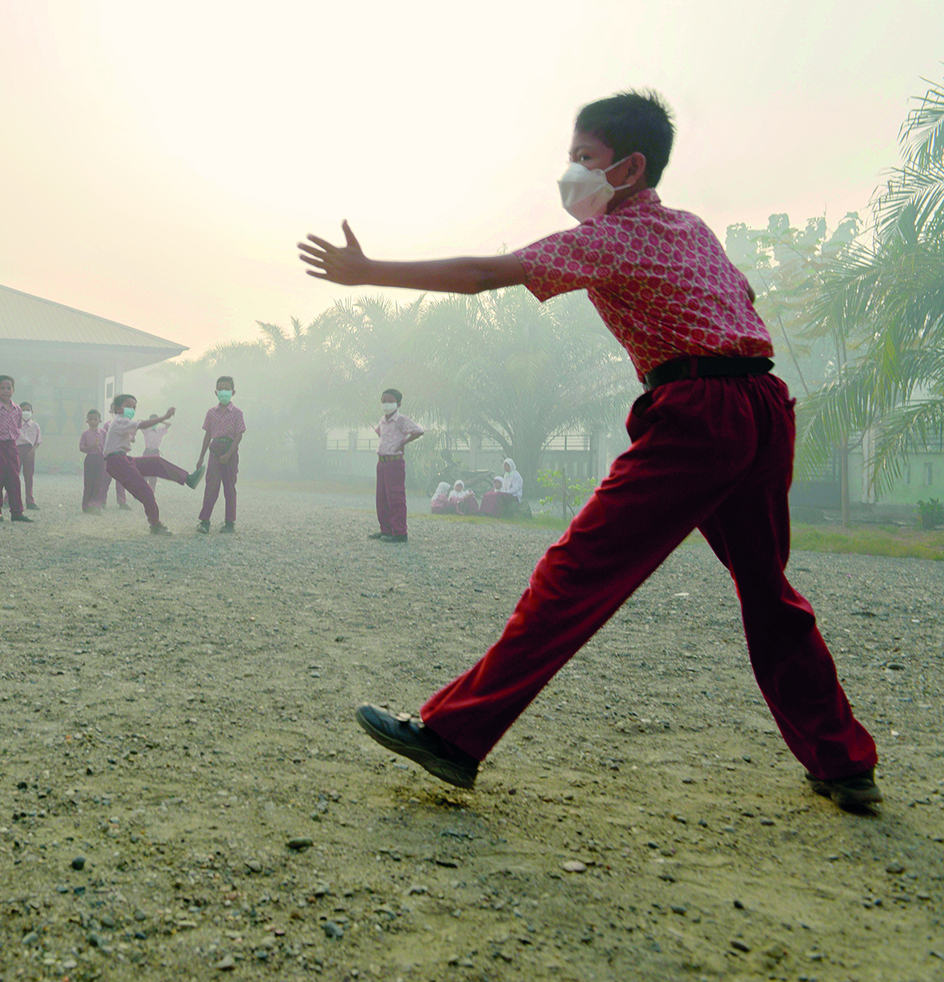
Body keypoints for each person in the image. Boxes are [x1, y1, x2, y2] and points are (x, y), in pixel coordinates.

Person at [300, 89, 880, 809]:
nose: (569, 173)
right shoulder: (692, 228)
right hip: (763, 404)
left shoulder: (611, 239)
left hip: (698, 409)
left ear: (630, 168)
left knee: (577, 570)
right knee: (768, 591)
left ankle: (454, 735)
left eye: (585, 158)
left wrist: (369, 271)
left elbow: (486, 276)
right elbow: (745, 292)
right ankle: (843, 761)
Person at [102, 394, 205, 534]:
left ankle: (188, 478)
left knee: (156, 462)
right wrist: (164, 417)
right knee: (145, 490)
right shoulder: (119, 421)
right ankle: (155, 524)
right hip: (117, 461)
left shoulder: (122, 422)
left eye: (134, 407)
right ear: (118, 409)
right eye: (128, 406)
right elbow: (142, 424)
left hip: (122, 459)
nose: (132, 409)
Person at [367, 389, 424, 542]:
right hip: (382, 462)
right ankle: (385, 529)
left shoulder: (401, 420)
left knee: (395, 497)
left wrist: (403, 442)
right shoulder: (382, 421)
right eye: (383, 400)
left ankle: (399, 532)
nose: (386, 404)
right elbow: (380, 433)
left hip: (394, 462)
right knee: (382, 498)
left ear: (398, 403)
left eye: (390, 401)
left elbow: (418, 431)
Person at [195, 376, 246, 533]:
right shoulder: (211, 413)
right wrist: (201, 456)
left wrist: (229, 454)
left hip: (230, 450)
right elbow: (208, 435)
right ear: (216, 392)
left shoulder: (237, 413)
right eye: (221, 389)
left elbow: (239, 435)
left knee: (229, 487)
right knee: (211, 485)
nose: (224, 392)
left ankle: (230, 522)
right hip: (215, 450)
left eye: (227, 389)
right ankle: (204, 521)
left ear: (233, 392)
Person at [0, 375, 32, 523]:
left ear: (13, 390)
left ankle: (17, 512)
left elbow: (18, 427)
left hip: (12, 446)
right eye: (2, 388)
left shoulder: (17, 410)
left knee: (14, 479)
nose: (6, 391)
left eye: (9, 388)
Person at [79, 409, 108, 514]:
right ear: (87, 421)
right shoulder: (85, 434)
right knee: (88, 482)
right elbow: (81, 448)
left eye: (95, 419)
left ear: (100, 421)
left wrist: (106, 459)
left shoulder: (103, 433)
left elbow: (106, 447)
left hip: (100, 458)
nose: (93, 422)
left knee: (99, 482)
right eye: (90, 419)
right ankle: (86, 505)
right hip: (90, 458)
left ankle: (95, 505)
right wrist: (91, 446)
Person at [17, 401, 43, 510]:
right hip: (17, 450)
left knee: (29, 477)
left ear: (32, 412)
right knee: (13, 476)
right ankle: (8, 499)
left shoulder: (35, 426)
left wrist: (33, 451)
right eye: (23, 410)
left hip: (29, 450)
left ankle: (30, 501)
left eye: (28, 410)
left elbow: (38, 441)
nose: (25, 412)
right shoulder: (15, 424)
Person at [141, 414, 171, 489]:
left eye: (156, 421)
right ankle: (142, 491)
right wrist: (148, 422)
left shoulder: (160, 430)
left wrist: (161, 420)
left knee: (154, 474)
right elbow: (139, 422)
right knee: (144, 472)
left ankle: (152, 492)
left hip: (155, 452)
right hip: (147, 451)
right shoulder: (146, 429)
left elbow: (169, 424)